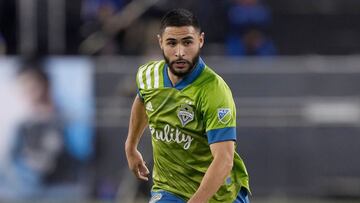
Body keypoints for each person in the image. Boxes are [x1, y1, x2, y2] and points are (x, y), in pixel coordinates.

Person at [125, 9, 250, 203]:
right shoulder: (147, 75)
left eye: (187, 42)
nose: (180, 52)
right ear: (160, 42)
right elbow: (142, 99)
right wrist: (131, 146)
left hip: (219, 196)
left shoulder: (214, 91)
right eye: (172, 43)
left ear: (200, 41)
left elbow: (224, 160)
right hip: (169, 190)